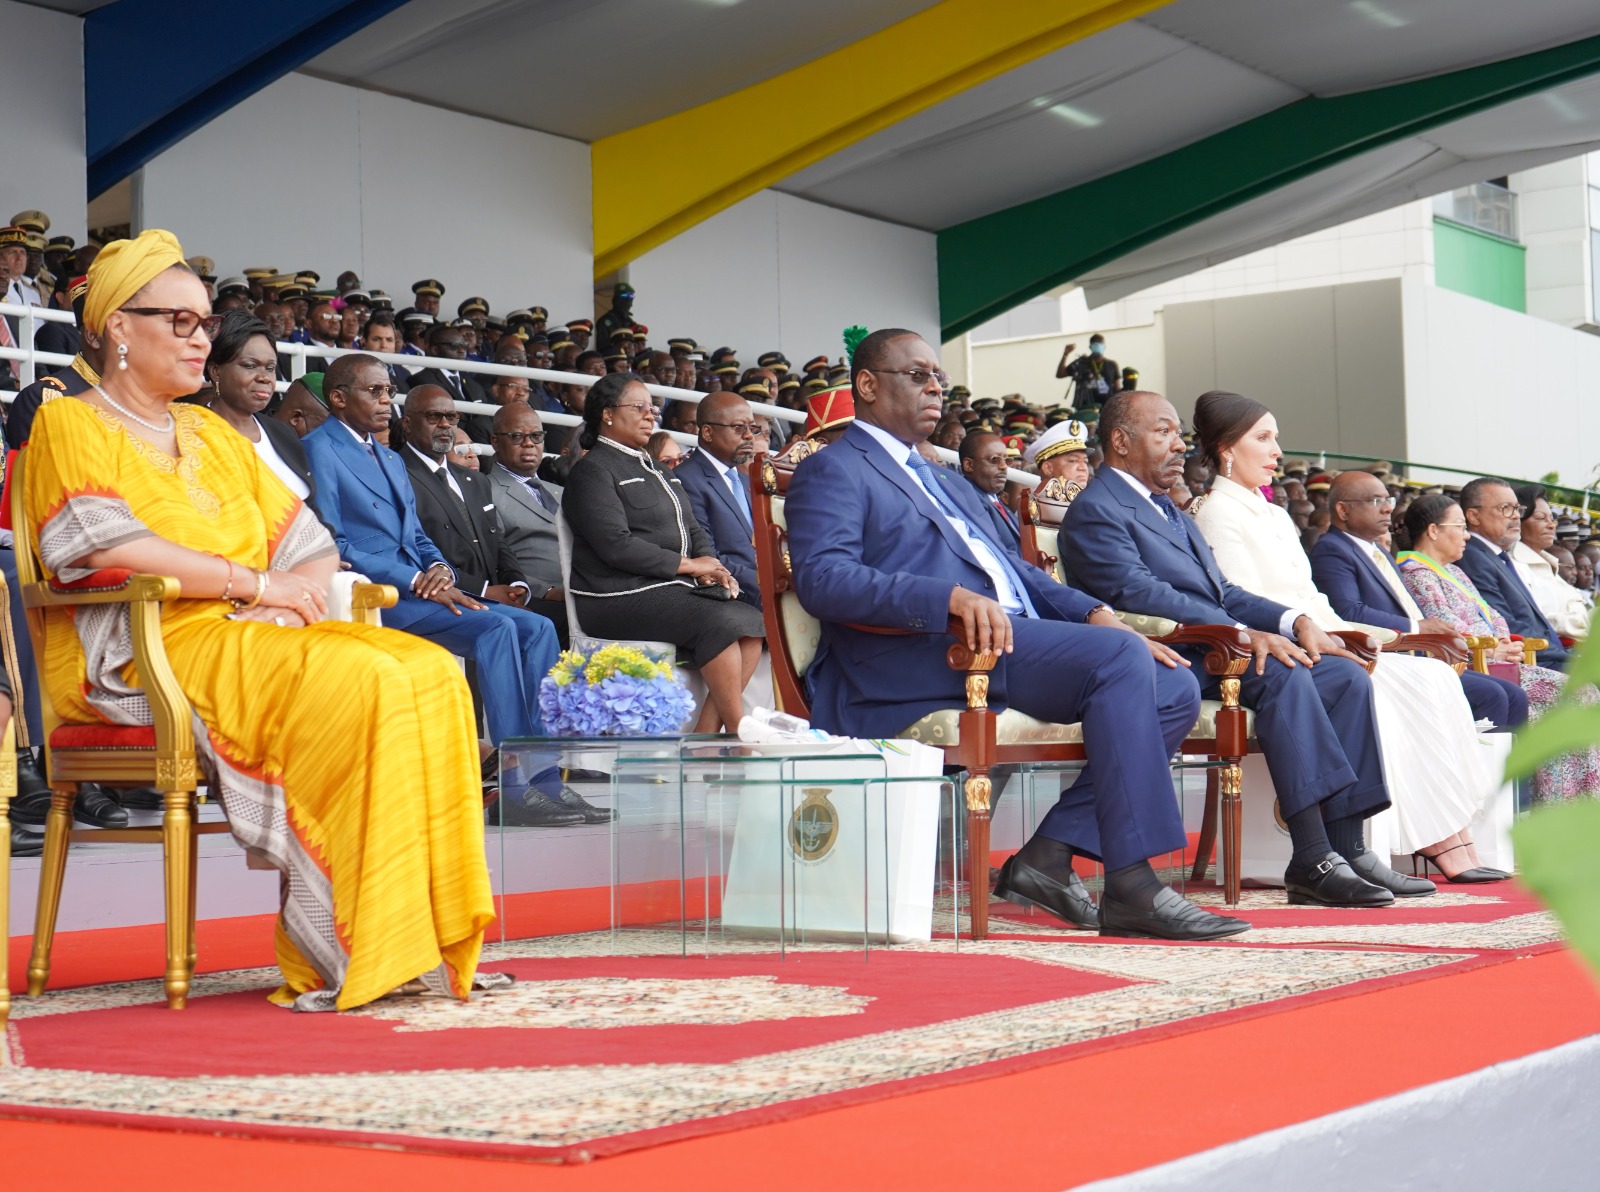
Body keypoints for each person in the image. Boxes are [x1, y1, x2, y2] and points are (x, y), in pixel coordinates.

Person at [22, 230, 503, 1010]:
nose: (198, 337)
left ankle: (420, 937)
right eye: (177, 321)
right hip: (147, 650)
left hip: (252, 633)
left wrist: (286, 602)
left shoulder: (213, 433)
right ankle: (349, 941)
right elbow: (107, 544)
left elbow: (308, 544)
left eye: (205, 323)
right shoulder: (70, 423)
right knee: (369, 676)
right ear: (117, 326)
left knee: (430, 671)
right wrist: (257, 588)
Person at [785, 329, 1245, 941]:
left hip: (1005, 641)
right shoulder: (834, 469)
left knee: (1173, 685)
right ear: (867, 385)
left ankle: (1048, 857)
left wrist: (1093, 613)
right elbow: (824, 580)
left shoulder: (944, 479)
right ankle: (1134, 884)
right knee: (1118, 659)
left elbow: (1018, 570)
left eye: (939, 380)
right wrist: (942, 597)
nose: (933, 389)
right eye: (916, 375)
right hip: (917, 652)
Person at [1062, 390, 1400, 909]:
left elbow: (1225, 591)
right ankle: (1311, 856)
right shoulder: (1098, 508)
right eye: (1163, 433)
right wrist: (1242, 633)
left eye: (1178, 434)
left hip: (1216, 647)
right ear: (1121, 441)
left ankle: (1348, 847)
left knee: (1343, 674)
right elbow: (1139, 594)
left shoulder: (1168, 508)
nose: (1179, 445)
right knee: (1285, 671)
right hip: (1170, 655)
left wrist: (1296, 620)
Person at [1189, 391, 1501, 885]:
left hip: (1320, 636)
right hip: (1278, 646)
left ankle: (1437, 829)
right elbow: (1239, 602)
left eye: (1275, 439)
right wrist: (1338, 638)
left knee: (1432, 676)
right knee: (1397, 682)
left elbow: (1318, 602)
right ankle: (1418, 837)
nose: (1276, 451)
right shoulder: (1215, 513)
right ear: (1227, 448)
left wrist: (1376, 637)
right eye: (1263, 438)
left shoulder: (1271, 514)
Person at [301, 354, 589, 826]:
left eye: (386, 391)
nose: (383, 401)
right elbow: (336, 542)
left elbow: (415, 535)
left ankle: (545, 782)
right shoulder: (319, 448)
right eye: (372, 391)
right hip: (379, 594)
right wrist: (415, 579)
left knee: (536, 628)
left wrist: (438, 568)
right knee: (495, 629)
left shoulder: (388, 456)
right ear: (337, 398)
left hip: (425, 587)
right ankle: (512, 789)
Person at [563, 373, 765, 734]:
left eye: (651, 408)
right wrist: (688, 566)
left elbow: (694, 529)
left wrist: (712, 567)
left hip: (668, 586)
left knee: (752, 622)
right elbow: (615, 545)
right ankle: (740, 732)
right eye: (639, 407)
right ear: (607, 414)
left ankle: (706, 736)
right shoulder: (591, 471)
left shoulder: (655, 468)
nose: (650, 415)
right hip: (616, 594)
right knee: (720, 621)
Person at [1398, 495, 1600, 808]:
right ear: (1434, 531)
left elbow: (1494, 618)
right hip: (1471, 665)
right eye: (1460, 527)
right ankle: (1559, 807)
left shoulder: (1454, 571)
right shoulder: (1416, 571)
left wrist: (1502, 643)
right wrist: (1495, 649)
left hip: (1496, 659)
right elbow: (1445, 625)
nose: (1466, 536)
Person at [1311, 469, 1528, 730]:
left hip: (1418, 655)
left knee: (1515, 696)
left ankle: (1508, 773)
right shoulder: (1332, 549)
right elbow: (1349, 613)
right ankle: (1478, 771)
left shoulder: (1379, 551)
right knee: (1491, 695)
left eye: (1388, 501)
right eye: (1376, 502)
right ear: (1343, 511)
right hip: (1384, 659)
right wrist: (1417, 627)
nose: (1386, 510)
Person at [398, 384, 572, 647]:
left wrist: (517, 584)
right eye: (434, 417)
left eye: (452, 418)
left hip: (499, 590)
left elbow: (497, 542)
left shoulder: (472, 480)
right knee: (540, 625)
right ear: (408, 423)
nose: (445, 425)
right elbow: (418, 547)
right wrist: (485, 591)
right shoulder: (398, 473)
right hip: (449, 593)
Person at [1453, 478, 1569, 669]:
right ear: (1474, 516)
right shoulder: (1473, 557)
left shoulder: (1496, 555)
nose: (1515, 516)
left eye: (1517, 509)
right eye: (1505, 508)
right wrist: (1566, 658)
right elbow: (1504, 624)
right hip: (1530, 662)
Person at [202, 311, 317, 503]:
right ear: (216, 371)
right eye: (250, 366)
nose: (264, 377)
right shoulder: (193, 434)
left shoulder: (283, 433)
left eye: (270, 368)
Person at [676, 390, 761, 609]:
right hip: (735, 593)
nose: (749, 436)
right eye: (739, 427)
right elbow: (706, 553)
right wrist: (764, 583)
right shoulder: (686, 479)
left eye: (753, 428)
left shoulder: (745, 480)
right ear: (707, 432)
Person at [485, 403, 569, 614]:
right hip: (539, 599)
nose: (529, 444)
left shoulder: (561, 490)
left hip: (586, 590)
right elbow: (492, 560)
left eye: (536, 436)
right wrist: (547, 590)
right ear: (495, 441)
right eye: (516, 437)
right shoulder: (484, 490)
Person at [1511, 485, 1590, 640]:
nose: (1551, 525)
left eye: (1552, 518)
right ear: (1518, 522)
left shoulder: (1548, 563)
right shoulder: (1515, 565)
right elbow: (1538, 620)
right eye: (1541, 518)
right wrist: (1584, 622)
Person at [957, 431, 1022, 548]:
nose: (1003, 466)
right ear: (969, 465)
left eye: (1006, 460)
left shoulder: (994, 500)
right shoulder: (970, 500)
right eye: (994, 460)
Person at [409, 323, 491, 408]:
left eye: (464, 345)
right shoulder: (421, 382)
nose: (462, 351)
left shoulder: (473, 384)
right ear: (435, 350)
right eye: (455, 346)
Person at [1023, 419, 1091, 490]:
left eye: (1085, 461)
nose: (1083, 468)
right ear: (1048, 468)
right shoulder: (1034, 501)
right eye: (1073, 461)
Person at [1055, 334, 1117, 407]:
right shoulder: (1080, 363)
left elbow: (1117, 388)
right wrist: (1065, 354)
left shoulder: (1112, 365)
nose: (1097, 346)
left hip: (1107, 407)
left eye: (1100, 343)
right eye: (1094, 344)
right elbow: (1060, 374)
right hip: (1084, 407)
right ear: (1090, 347)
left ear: (1104, 347)